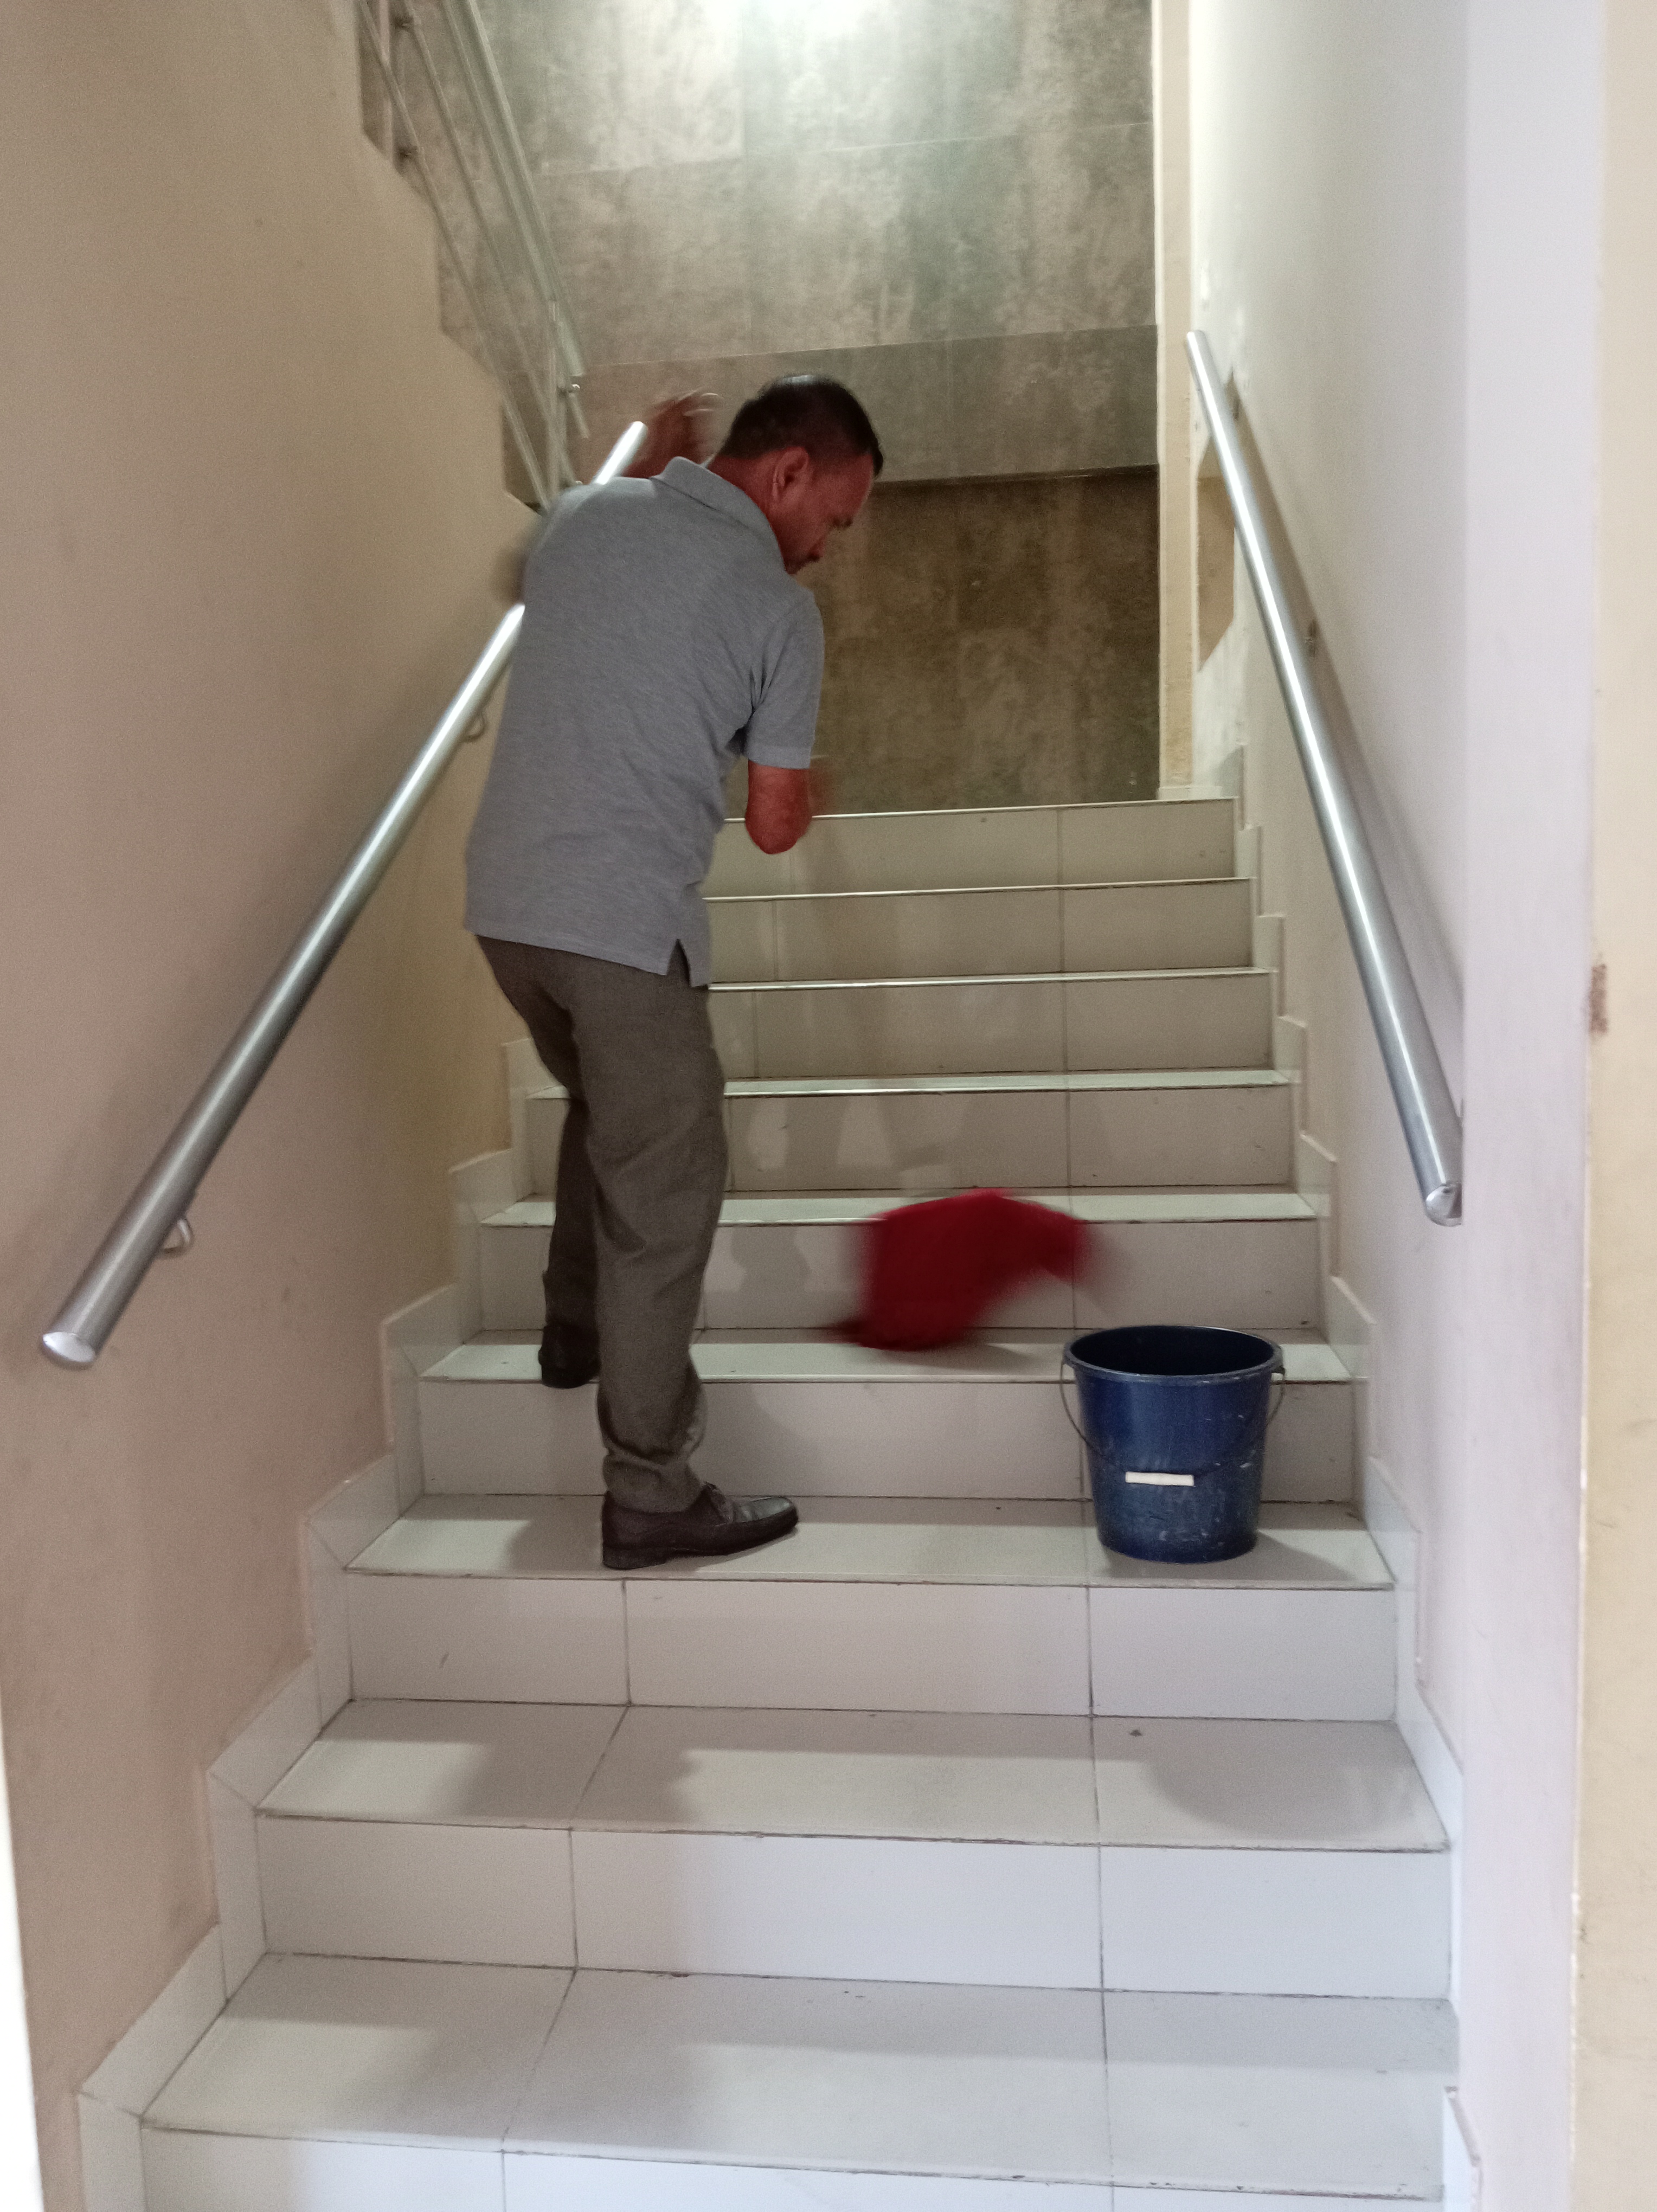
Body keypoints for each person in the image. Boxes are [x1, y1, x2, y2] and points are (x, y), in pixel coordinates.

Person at [465, 375, 882, 1570]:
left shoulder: (587, 516)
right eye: (833, 517)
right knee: (669, 1183)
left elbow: (521, 576)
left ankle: (573, 1335)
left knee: (607, 1106)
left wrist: (639, 469)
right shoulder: (776, 610)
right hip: (621, 924)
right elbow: (772, 828)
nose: (825, 547)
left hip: (506, 911)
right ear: (790, 472)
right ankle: (652, 1489)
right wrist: (804, 782)